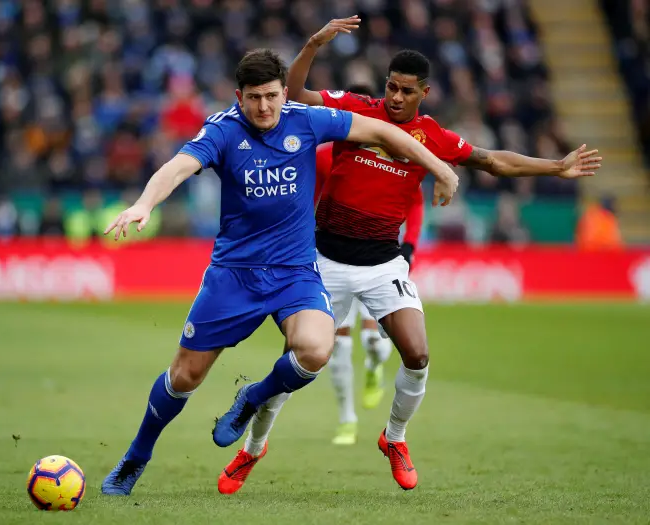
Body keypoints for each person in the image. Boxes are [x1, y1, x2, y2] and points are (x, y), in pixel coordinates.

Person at [216, 17, 603, 494]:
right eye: (391, 88)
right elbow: (295, 96)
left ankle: (394, 438)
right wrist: (314, 43)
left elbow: (492, 160)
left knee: (417, 354)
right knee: (296, 363)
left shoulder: (433, 137)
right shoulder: (357, 111)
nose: (395, 98)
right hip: (324, 262)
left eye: (406, 91)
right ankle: (252, 450)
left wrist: (556, 167)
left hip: (383, 265)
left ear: (424, 92)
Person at [100, 48, 460, 496]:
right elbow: (178, 168)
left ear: (284, 93)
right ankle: (136, 457)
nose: (264, 107)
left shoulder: (306, 119)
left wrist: (440, 168)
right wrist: (143, 203)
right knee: (184, 377)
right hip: (234, 274)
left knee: (315, 348)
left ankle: (252, 397)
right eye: (254, 98)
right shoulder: (224, 130)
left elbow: (384, 131)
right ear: (239, 96)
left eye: (272, 96)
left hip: (295, 273)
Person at [315, 85, 425, 446]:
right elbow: (313, 197)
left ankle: (377, 366)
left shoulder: (397, 149)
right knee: (339, 343)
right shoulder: (327, 155)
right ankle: (346, 417)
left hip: (380, 259)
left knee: (376, 343)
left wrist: (409, 245)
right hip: (334, 256)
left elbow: (415, 201)